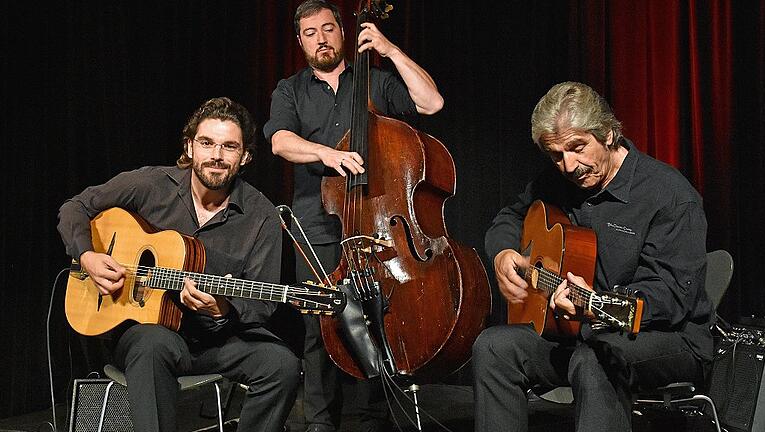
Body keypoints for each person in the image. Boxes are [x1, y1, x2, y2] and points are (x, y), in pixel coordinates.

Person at [473, 82, 714, 432]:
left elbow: (673, 297)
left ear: (609, 134)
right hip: (582, 333)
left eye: (577, 147)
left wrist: (595, 306)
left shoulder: (669, 195)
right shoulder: (557, 182)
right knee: (494, 348)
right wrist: (504, 251)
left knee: (596, 356)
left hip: (668, 339)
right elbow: (509, 217)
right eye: (556, 155)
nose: (569, 165)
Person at [58, 97, 301, 432]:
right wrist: (88, 255)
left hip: (217, 341)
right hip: (149, 334)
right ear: (190, 147)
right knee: (151, 343)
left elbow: (261, 303)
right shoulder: (151, 185)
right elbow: (76, 206)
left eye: (229, 146)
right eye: (207, 143)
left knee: (283, 366)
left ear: (244, 157)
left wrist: (223, 310)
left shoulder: (262, 217)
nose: (216, 155)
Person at [263, 1, 444, 431]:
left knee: (377, 317)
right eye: (310, 32)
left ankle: (371, 419)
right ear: (301, 41)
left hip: (380, 224)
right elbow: (281, 142)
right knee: (319, 328)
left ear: (343, 32)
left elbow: (431, 102)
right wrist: (328, 153)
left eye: (328, 28)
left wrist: (390, 49)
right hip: (319, 225)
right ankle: (321, 423)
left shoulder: (376, 82)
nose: (321, 38)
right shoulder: (290, 90)